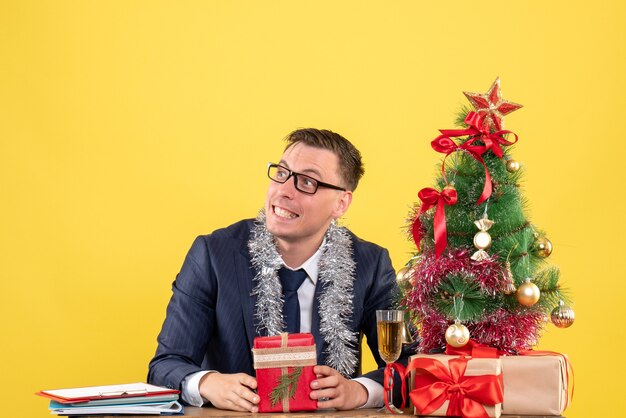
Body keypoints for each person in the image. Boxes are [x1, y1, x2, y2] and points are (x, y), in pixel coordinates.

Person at [148, 128, 410, 412]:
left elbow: (412, 363)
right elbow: (165, 365)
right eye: (282, 173)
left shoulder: (370, 264)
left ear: (340, 203)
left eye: (307, 182)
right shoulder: (213, 255)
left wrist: (359, 391)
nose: (284, 191)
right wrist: (207, 382)